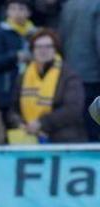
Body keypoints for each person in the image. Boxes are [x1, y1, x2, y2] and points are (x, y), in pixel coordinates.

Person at [8, 28, 87, 143]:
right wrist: (19, 122)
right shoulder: (24, 75)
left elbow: (73, 109)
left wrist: (41, 123)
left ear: (55, 49)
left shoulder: (69, 75)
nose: (43, 51)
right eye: (38, 47)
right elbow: (13, 108)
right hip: (28, 137)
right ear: (33, 50)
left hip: (63, 138)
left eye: (48, 46)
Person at [0, 0, 36, 120]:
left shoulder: (36, 34)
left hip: (33, 91)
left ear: (28, 12)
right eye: (13, 9)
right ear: (7, 12)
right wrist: (14, 56)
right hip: (8, 91)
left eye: (21, 9)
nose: (17, 13)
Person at [59, 0, 100, 141]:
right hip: (94, 73)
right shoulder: (97, 5)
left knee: (81, 120)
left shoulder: (69, 4)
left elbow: (61, 37)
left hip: (72, 70)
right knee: (95, 120)